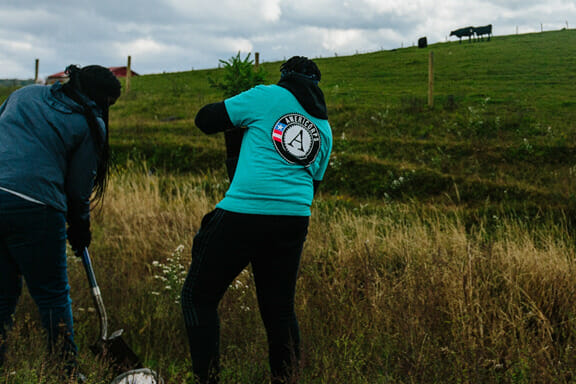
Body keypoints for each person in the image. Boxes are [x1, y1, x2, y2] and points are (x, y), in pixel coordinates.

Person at [181, 56, 333, 384]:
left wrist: (239, 113)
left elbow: (205, 120)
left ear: (284, 77)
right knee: (279, 310)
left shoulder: (265, 96)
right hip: (293, 219)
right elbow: (312, 186)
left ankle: (206, 380)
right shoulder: (323, 127)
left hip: (244, 213)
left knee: (198, 297)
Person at [0, 65, 121, 381]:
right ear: (101, 99)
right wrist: (80, 226)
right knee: (52, 295)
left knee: (1, 294)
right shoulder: (88, 122)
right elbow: (79, 189)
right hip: (36, 206)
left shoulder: (23, 94)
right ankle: (66, 373)